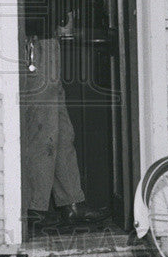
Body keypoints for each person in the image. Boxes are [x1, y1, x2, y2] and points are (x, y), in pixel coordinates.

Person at [21, 28, 108, 232]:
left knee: (62, 132)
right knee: (42, 132)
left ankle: (72, 203)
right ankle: (35, 209)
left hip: (49, 43)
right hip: (36, 42)